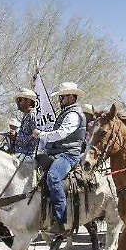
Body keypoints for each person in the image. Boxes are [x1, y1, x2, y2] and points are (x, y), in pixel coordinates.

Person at [33, 82, 87, 234]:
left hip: (69, 154)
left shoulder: (73, 114)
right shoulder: (66, 113)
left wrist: (42, 135)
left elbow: (61, 134)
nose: (60, 100)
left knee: (53, 177)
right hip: (57, 153)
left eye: (61, 97)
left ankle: (61, 220)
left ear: (71, 97)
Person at [13, 88, 40, 159]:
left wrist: (17, 137)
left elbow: (36, 137)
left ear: (28, 101)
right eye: (17, 101)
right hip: (21, 154)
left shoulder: (33, 115)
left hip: (28, 155)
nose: (17, 103)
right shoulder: (26, 115)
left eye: (19, 100)